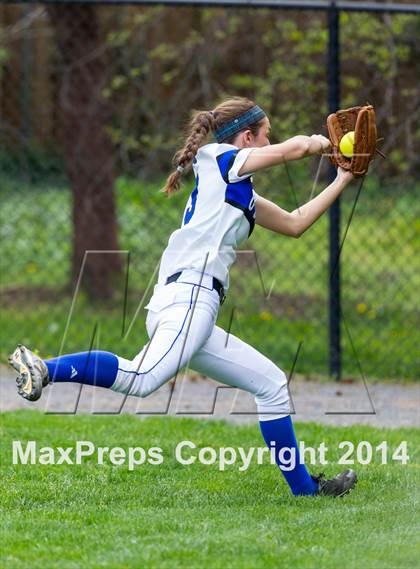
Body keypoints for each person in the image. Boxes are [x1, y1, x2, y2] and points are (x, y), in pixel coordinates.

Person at [9, 96, 357, 497]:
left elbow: (295, 224)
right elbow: (294, 149)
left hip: (192, 306)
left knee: (272, 384)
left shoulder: (237, 189)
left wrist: (341, 179)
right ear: (246, 137)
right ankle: (46, 368)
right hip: (189, 297)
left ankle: (307, 491)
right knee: (141, 378)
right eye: (265, 136)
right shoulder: (220, 158)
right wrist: (321, 143)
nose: (268, 143)